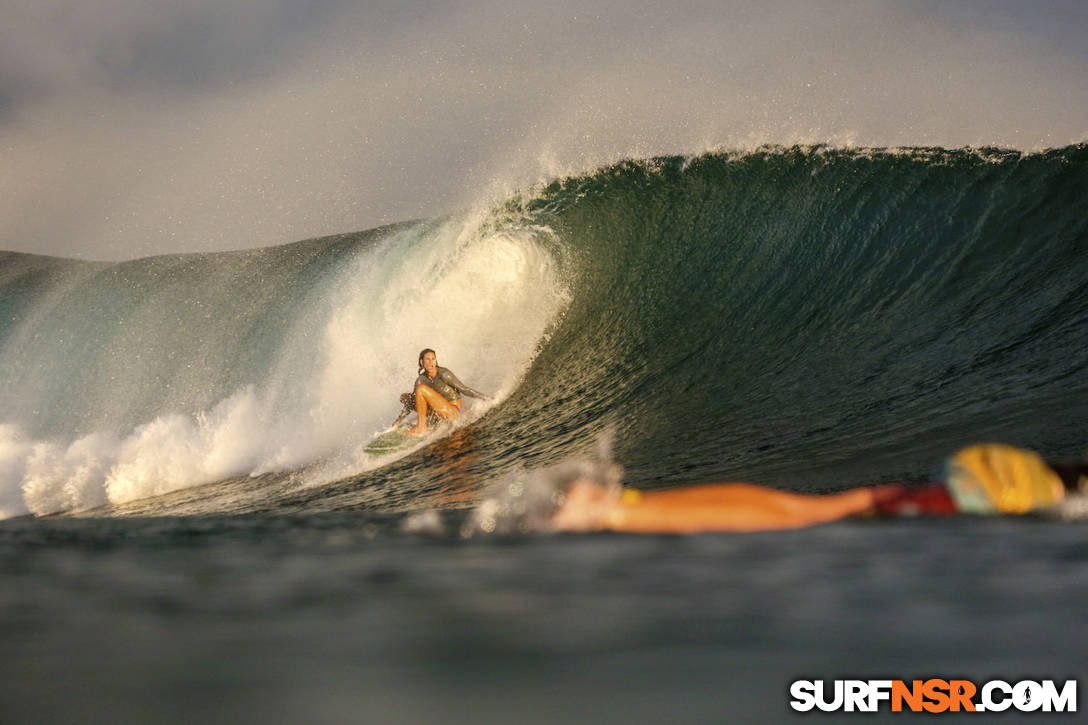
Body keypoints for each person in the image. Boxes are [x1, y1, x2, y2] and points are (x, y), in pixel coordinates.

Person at [548, 444, 1085, 534]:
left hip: (993, 471)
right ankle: (617, 515)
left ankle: (617, 503)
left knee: (811, 508)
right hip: (994, 492)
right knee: (805, 520)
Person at [400, 348, 490, 436]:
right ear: (421, 362)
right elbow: (412, 402)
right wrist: (397, 422)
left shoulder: (444, 374)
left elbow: (464, 389)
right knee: (406, 397)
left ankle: (422, 428)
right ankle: (427, 422)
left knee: (421, 389)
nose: (431, 362)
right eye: (428, 359)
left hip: (452, 411)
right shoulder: (420, 379)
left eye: (433, 359)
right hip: (437, 412)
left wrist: (487, 398)